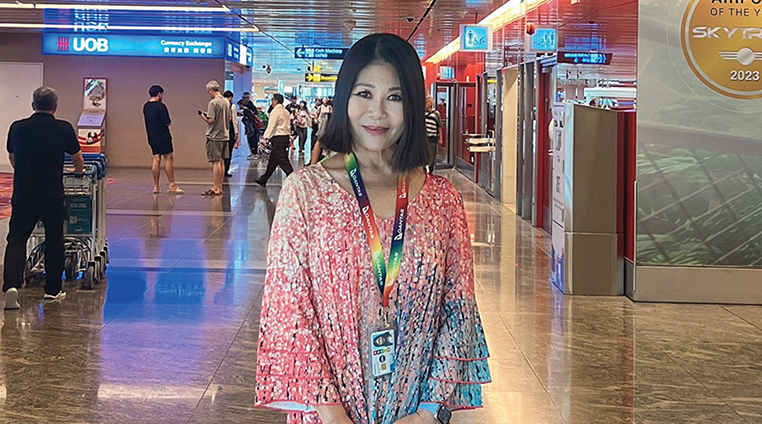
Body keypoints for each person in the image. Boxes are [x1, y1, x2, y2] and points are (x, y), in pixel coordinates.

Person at [255, 33, 490, 424]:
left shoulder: (442, 198)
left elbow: (459, 308)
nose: (377, 113)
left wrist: (427, 413)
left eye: (394, 98)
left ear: (412, 105)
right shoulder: (305, 191)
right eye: (364, 93)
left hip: (415, 408)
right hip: (328, 412)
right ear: (344, 96)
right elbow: (288, 308)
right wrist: (331, 414)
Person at [3, 87, 85, 310]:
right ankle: (52, 289)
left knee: (17, 238)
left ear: (33, 105)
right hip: (52, 193)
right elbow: (78, 158)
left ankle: (11, 285)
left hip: (24, 192)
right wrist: (78, 172)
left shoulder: (18, 127)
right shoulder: (63, 128)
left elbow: (13, 157)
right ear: (55, 106)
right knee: (54, 238)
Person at [143, 85, 183, 194]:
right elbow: (167, 122)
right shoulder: (161, 107)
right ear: (159, 94)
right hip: (163, 136)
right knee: (168, 158)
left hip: (152, 136)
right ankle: (172, 184)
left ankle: (156, 186)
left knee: (156, 158)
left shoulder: (146, 106)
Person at [198, 80, 230, 196]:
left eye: (209, 92)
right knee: (221, 161)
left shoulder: (213, 103)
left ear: (211, 90)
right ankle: (220, 187)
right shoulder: (226, 102)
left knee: (216, 162)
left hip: (214, 135)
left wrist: (203, 116)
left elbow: (211, 120)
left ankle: (215, 187)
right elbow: (229, 119)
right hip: (225, 135)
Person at [255, 93, 293, 187]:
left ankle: (293, 178)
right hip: (284, 137)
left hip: (278, 138)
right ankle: (263, 179)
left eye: (272, 100)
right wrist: (290, 139)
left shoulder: (276, 111)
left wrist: (266, 137)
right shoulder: (285, 111)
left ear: (276, 101)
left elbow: (272, 125)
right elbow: (288, 127)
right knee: (273, 160)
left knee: (283, 161)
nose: (271, 102)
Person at [223, 90, 240, 177]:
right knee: (228, 152)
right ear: (231, 97)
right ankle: (225, 170)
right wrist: (236, 133)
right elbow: (234, 121)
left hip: (221, 131)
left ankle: (220, 170)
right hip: (230, 131)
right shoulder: (231, 106)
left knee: (221, 152)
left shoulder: (220, 105)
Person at [237, 92, 259, 158]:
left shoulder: (249, 107)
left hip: (251, 127)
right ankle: (253, 153)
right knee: (251, 139)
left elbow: (251, 116)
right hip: (250, 126)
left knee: (252, 139)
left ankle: (255, 153)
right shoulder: (249, 107)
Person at [424, 95, 442, 174]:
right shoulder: (422, 112)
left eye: (430, 102)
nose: (428, 103)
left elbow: (439, 126)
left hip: (433, 136)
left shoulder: (436, 113)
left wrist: (441, 138)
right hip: (424, 137)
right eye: (427, 102)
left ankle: (431, 168)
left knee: (432, 153)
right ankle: (424, 168)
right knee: (424, 152)